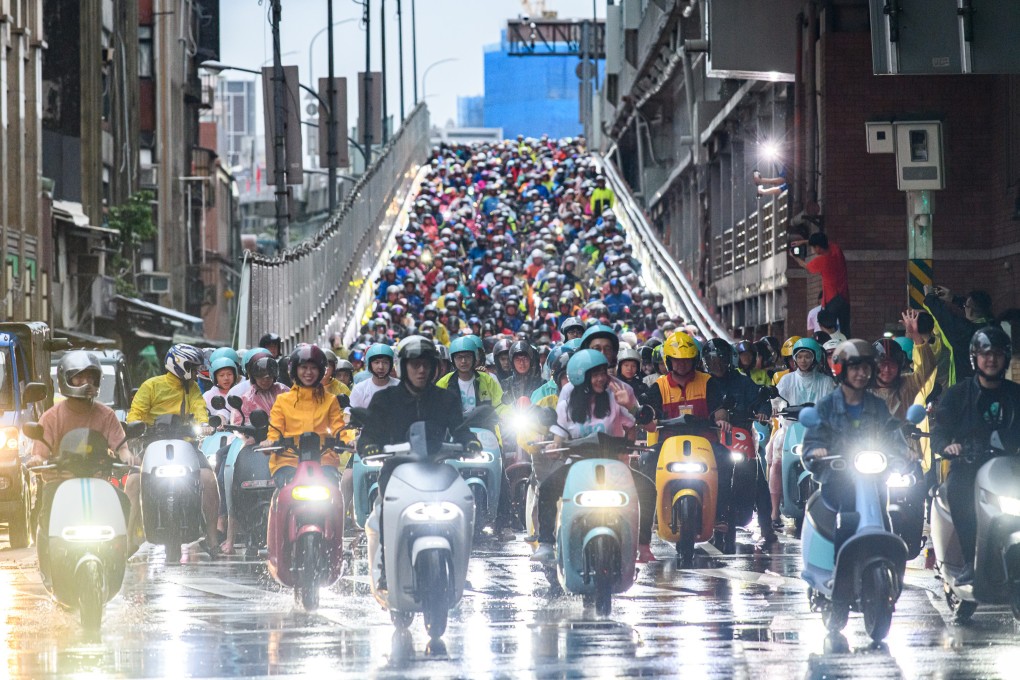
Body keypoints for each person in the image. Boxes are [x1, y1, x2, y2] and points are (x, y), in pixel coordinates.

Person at [357, 336, 482, 589]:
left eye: (426, 364)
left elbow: (460, 429)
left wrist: (470, 441)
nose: (421, 370)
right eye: (415, 364)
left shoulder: (445, 399)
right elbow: (369, 433)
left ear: (435, 367)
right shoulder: (385, 400)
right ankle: (385, 568)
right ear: (403, 367)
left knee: (465, 502)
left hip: (438, 469)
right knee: (383, 510)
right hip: (396, 471)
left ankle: (458, 565)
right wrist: (369, 445)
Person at [532, 350, 657, 563]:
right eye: (595, 374)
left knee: (647, 489)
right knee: (546, 489)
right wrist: (554, 445)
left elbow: (647, 425)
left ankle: (643, 545)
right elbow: (560, 430)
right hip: (577, 466)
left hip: (613, 466)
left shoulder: (616, 395)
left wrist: (631, 406)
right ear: (581, 376)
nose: (601, 379)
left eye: (603, 373)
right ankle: (545, 543)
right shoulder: (569, 396)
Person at [30, 352, 139, 587]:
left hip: (97, 480)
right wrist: (38, 459)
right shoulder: (52, 416)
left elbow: (120, 445)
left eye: (90, 378)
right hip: (61, 482)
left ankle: (121, 550)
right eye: (79, 378)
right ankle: (47, 566)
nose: (85, 383)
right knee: (45, 515)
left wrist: (126, 455)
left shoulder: (106, 414)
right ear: (65, 380)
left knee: (123, 501)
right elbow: (40, 450)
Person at [932, 327, 1020, 584]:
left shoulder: (1016, 394)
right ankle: (971, 560)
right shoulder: (957, 394)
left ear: (1005, 358)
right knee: (959, 492)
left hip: (1011, 466)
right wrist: (949, 447)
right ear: (975, 357)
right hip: (969, 466)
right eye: (985, 354)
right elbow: (939, 432)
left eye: (997, 354)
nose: (991, 359)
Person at [127, 343, 220, 557]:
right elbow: (137, 412)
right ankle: (126, 541)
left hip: (186, 445)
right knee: (132, 483)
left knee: (208, 479)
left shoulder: (193, 388)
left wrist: (204, 423)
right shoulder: (151, 386)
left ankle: (212, 538)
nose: (196, 372)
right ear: (180, 365)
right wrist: (135, 425)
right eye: (193, 367)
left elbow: (199, 408)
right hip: (151, 446)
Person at [801, 340, 899, 531]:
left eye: (866, 368)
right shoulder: (826, 406)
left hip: (874, 478)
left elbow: (892, 434)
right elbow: (811, 442)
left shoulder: (878, 405)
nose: (861, 374)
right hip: (837, 479)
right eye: (855, 368)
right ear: (842, 369)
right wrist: (816, 451)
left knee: (885, 519)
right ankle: (842, 558)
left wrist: (905, 453)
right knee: (847, 517)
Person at [702, 339, 775, 544]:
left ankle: (767, 525)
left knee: (759, 478)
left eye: (720, 359)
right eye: (711, 360)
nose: (715, 364)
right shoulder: (704, 382)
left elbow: (760, 399)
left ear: (729, 359)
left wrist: (762, 411)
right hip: (712, 437)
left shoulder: (742, 381)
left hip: (741, 435)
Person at [770, 338, 834, 527]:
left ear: (815, 358)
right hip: (790, 429)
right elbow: (777, 400)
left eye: (808, 356)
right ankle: (774, 511)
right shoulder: (787, 380)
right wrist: (775, 407)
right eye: (800, 356)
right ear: (794, 359)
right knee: (776, 461)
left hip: (818, 432)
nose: (804, 360)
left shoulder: (826, 381)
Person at [265, 345, 345, 487]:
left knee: (334, 493)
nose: (308, 372)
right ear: (295, 370)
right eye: (303, 367)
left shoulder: (331, 400)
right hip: (288, 461)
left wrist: (349, 441)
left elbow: (339, 428)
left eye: (313, 368)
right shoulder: (282, 400)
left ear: (321, 371)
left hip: (323, 460)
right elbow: (275, 429)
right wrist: (271, 442)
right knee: (284, 490)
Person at [923, 285, 996, 385]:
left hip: (966, 388)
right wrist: (954, 299)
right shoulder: (994, 327)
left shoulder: (966, 331)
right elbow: (975, 309)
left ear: (970, 310)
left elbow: (944, 317)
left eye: (965, 306)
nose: (964, 308)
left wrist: (930, 297)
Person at [790, 233, 851, 336]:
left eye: (813, 248)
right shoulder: (836, 250)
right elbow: (823, 241)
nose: (813, 251)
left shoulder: (822, 261)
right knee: (845, 328)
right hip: (844, 297)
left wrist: (794, 257)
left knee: (823, 320)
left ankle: (834, 340)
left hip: (832, 298)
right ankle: (846, 344)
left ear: (817, 247)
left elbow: (805, 265)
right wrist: (804, 242)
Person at [436, 336, 510, 416]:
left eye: (467, 356)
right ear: (452, 359)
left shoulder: (487, 380)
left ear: (475, 357)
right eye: (459, 357)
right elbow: (436, 411)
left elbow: (501, 405)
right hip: (455, 427)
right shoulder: (444, 383)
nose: (463, 361)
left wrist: (506, 417)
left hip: (484, 426)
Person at [349, 344, 399, 409]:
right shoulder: (360, 389)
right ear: (369, 364)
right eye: (376, 362)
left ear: (391, 364)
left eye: (385, 362)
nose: (381, 367)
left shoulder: (400, 387)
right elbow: (349, 414)